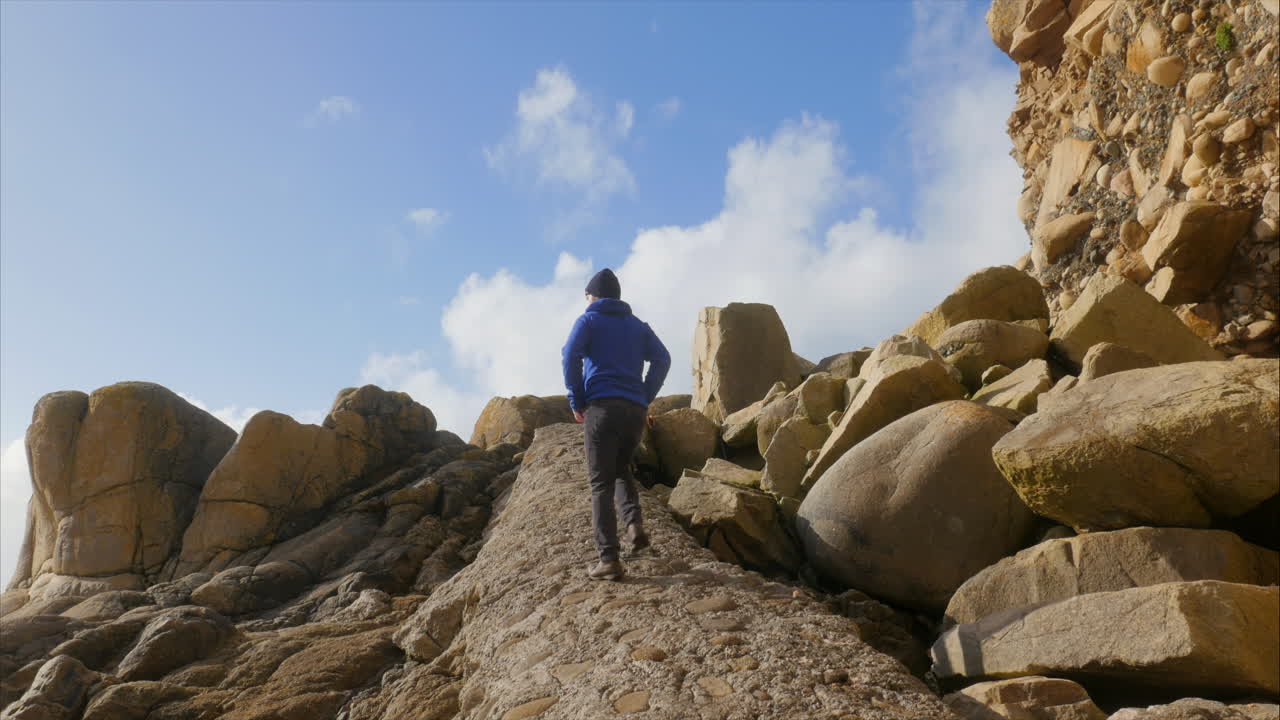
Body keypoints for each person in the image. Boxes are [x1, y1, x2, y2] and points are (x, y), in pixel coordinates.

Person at [562, 268, 671, 581]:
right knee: (622, 469)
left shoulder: (589, 320)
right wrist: (643, 395)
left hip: (602, 408)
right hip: (634, 411)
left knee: (600, 483)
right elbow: (662, 359)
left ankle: (608, 558)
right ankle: (635, 528)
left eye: (586, 296)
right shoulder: (638, 326)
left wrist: (576, 400)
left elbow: (570, 356)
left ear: (592, 295)